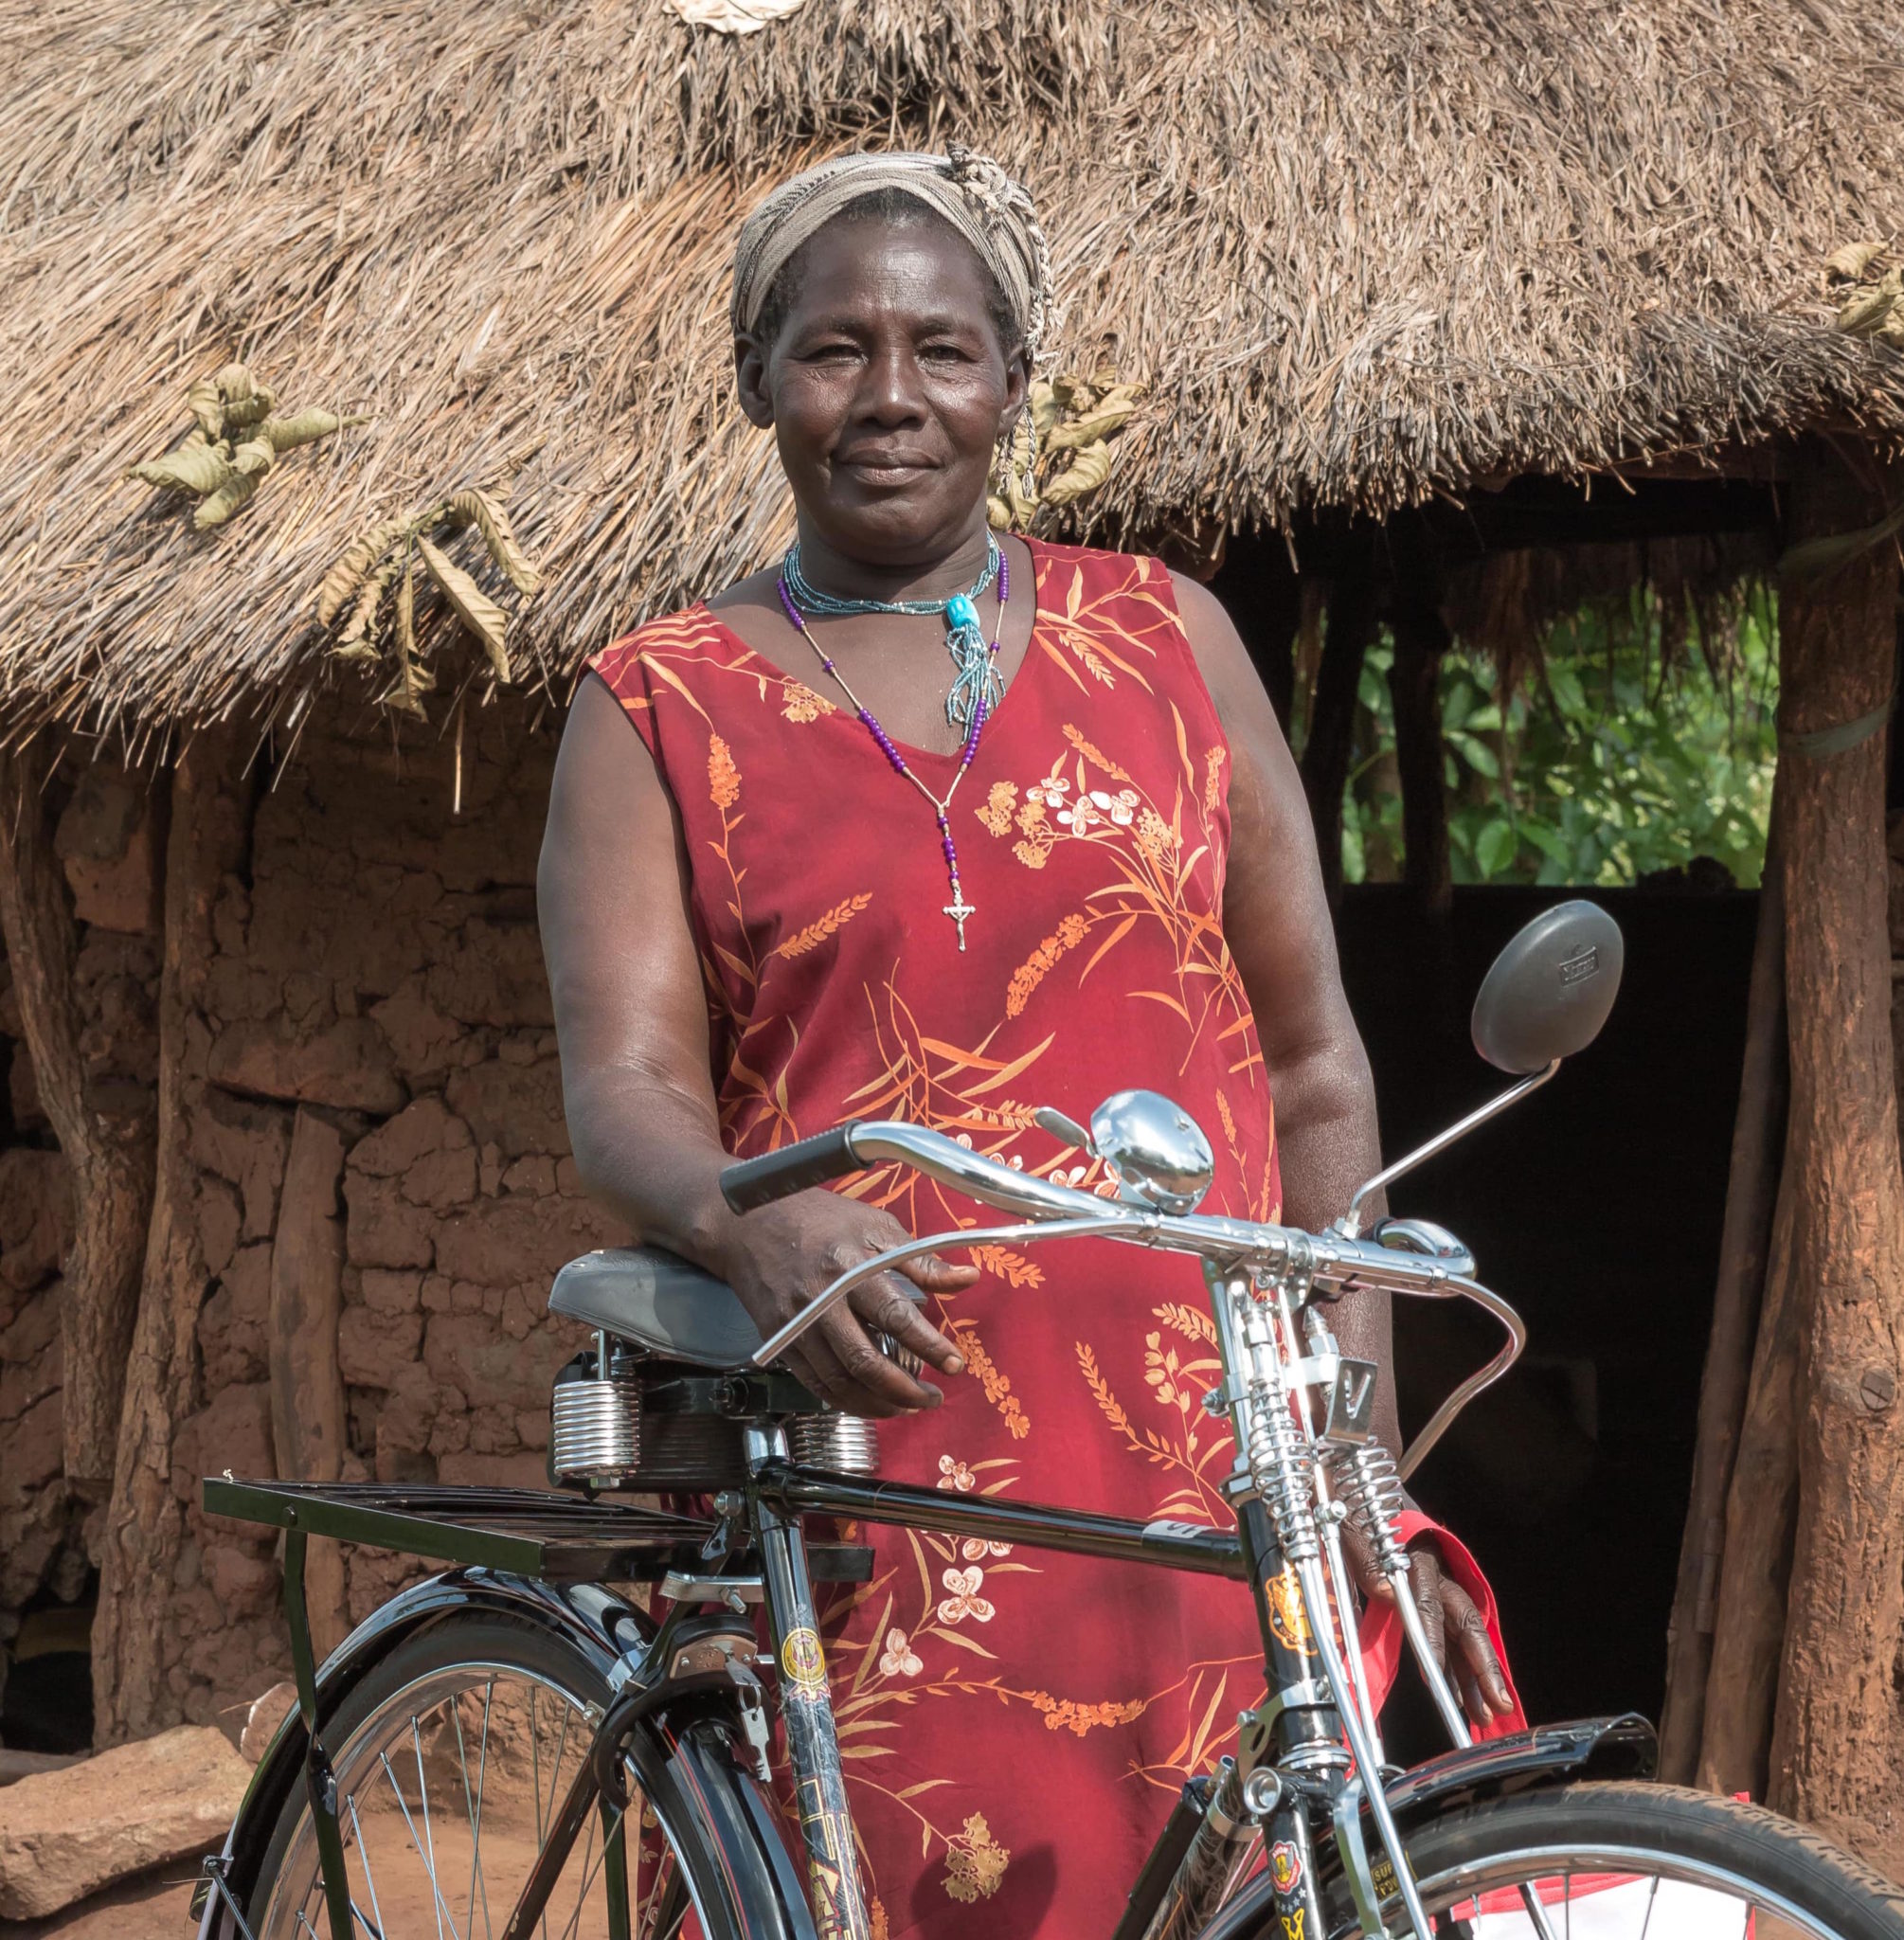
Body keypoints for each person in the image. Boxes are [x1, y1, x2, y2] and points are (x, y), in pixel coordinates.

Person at [539, 147, 1520, 1940]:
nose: (891, 397)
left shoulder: (1168, 640)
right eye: (834, 349)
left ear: (1011, 381)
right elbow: (625, 1088)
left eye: (943, 348)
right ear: (758, 380)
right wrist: (751, 1224)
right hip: (882, 1459)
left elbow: (1313, 1070)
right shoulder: (661, 705)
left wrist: (1361, 1459)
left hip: (1209, 1459)